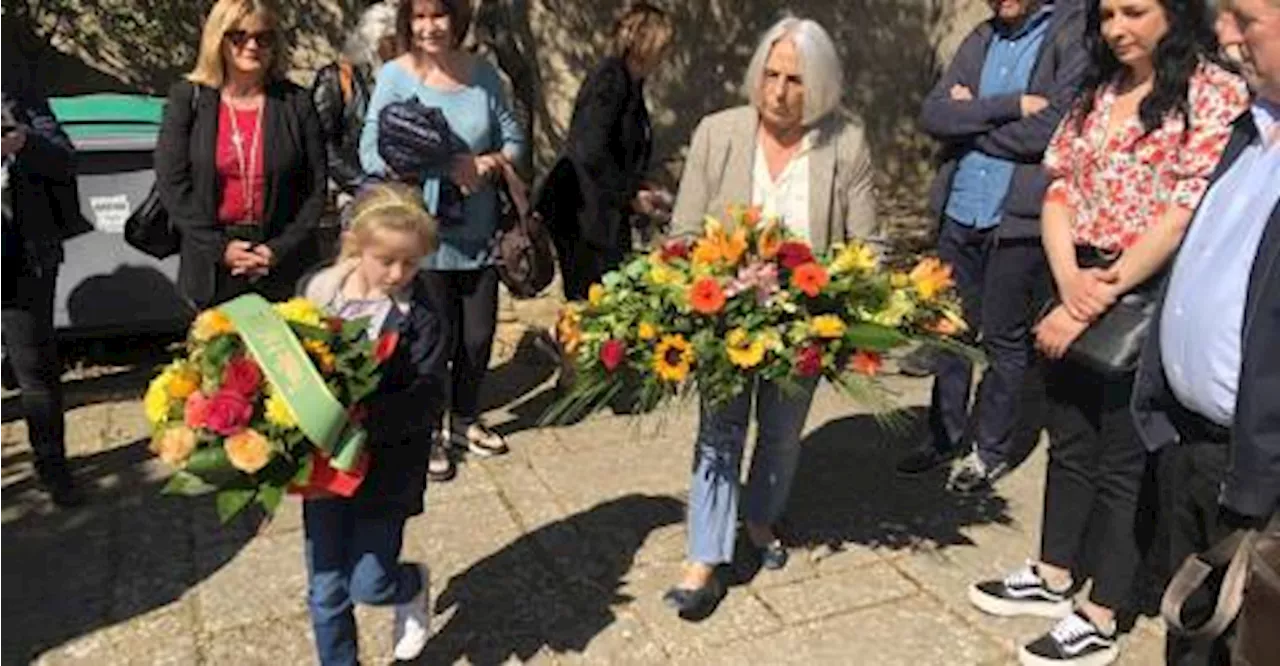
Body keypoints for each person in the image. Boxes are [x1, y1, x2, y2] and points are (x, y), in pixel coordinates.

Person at [965, 0, 1249, 663]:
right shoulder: (1103, 85)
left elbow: (1181, 213)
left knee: (1125, 460)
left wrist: (1095, 297)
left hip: (1145, 289)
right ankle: (1054, 570)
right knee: (1069, 437)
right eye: (1108, 15)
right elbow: (1059, 183)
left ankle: (1102, 611)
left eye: (1135, 11)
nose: (1118, 28)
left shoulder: (1211, 92)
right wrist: (1068, 281)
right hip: (1075, 276)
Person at [662, 16, 880, 619]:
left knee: (782, 432)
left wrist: (851, 304)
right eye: (772, 75)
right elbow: (682, 232)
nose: (779, 92)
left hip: (806, 323)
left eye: (796, 81)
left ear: (823, 86)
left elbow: (868, 243)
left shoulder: (847, 143)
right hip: (725, 315)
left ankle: (759, 516)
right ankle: (704, 554)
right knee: (719, 431)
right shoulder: (718, 133)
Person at [1132, 0, 1280, 663]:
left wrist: (1258, 478)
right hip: (1192, 448)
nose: (1221, 35)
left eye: (1243, 19)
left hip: (1258, 478)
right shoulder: (1250, 132)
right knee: (1190, 635)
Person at [895, 0, 1088, 493]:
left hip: (1016, 219)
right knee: (949, 333)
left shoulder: (1070, 33)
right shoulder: (981, 37)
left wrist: (972, 125)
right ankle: (944, 436)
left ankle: (989, 450)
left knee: (1003, 341)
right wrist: (1007, 106)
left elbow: (1053, 130)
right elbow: (934, 115)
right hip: (961, 210)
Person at [360, 0, 527, 482]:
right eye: (419, 16)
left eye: (438, 15)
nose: (429, 27)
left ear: (456, 20)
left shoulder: (483, 76)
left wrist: (485, 164)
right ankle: (429, 428)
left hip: (479, 232)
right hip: (422, 235)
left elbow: (513, 140)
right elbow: (370, 152)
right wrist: (436, 167)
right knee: (435, 341)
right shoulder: (394, 76)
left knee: (477, 338)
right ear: (408, 22)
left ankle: (464, 420)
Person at [299, 183, 447, 666]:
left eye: (411, 263)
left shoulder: (422, 315)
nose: (399, 273)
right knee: (326, 590)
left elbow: (427, 396)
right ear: (357, 245)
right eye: (385, 260)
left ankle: (410, 584)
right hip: (324, 471)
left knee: (370, 582)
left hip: (388, 467)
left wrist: (364, 417)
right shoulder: (317, 294)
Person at [154, 0, 327, 310]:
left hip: (281, 263)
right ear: (218, 40)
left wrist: (278, 249)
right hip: (212, 263)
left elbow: (314, 189)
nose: (252, 45)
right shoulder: (189, 99)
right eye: (239, 36)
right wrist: (220, 248)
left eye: (264, 37)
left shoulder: (296, 102)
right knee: (218, 356)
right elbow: (172, 184)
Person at [539, 1, 674, 301]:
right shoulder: (611, 80)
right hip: (585, 217)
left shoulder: (631, 84)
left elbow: (619, 152)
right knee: (594, 304)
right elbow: (590, 152)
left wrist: (641, 187)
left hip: (603, 214)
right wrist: (630, 195)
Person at [0, 62, 84, 508]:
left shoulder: (17, 87)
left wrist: (23, 141)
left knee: (35, 368)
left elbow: (64, 156)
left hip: (22, 253)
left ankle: (52, 466)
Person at [312, 1, 399, 206]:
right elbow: (320, 142)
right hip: (355, 195)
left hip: (400, 191)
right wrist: (361, 183)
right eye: (391, 41)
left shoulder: (403, 79)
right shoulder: (337, 78)